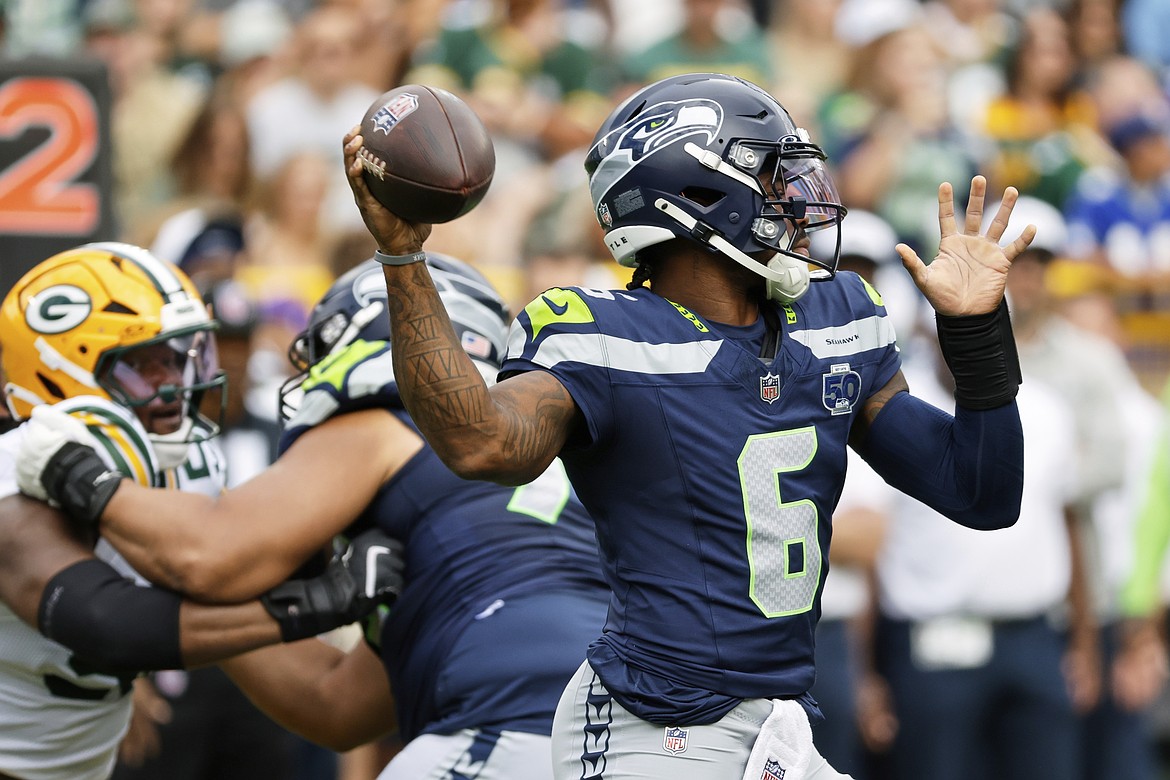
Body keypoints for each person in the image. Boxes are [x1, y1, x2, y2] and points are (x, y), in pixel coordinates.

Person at [338, 70, 1033, 779]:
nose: (797, 201)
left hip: (780, 721)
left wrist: (976, 332)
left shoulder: (835, 318)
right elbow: (482, 442)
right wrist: (403, 257)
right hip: (653, 724)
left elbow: (979, 493)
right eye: (773, 178)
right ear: (701, 195)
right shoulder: (603, 335)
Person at [17, 255, 611, 778]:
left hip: (510, 727)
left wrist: (86, 481)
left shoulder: (381, 426)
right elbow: (338, 705)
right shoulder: (545, 469)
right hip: (633, 739)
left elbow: (208, 554)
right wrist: (284, 611)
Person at [0, 242, 401, 780]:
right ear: (58, 370)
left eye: (182, 358)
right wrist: (321, 603)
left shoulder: (179, 467)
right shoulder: (13, 469)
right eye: (144, 366)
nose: (176, 385)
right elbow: (105, 622)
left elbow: (314, 681)